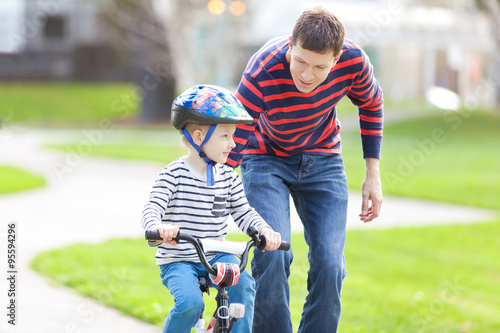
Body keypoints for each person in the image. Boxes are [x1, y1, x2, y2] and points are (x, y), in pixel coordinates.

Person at [226, 6, 384, 333]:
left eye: (319, 67)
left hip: (323, 158)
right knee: (273, 254)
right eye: (299, 61)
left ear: (337, 59)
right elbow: (236, 135)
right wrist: (216, 192)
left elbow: (371, 102)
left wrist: (373, 174)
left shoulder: (355, 61)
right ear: (290, 44)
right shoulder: (262, 70)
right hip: (265, 159)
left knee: (330, 266)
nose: (307, 75)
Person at [141, 85, 282, 333]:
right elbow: (153, 206)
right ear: (198, 138)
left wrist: (263, 229)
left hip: (216, 255)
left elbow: (243, 211)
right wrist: (156, 227)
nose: (233, 143)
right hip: (179, 259)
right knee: (190, 304)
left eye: (233, 135)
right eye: (225, 136)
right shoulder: (174, 174)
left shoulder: (228, 176)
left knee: (243, 285)